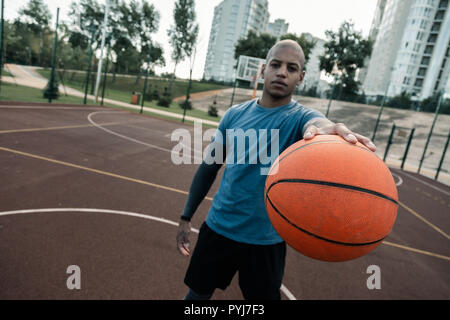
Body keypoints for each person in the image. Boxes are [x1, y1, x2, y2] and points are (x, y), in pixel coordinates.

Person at [176, 39, 376, 300]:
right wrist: (186, 216)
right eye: (276, 64)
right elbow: (208, 168)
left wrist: (326, 130)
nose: (282, 72)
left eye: (292, 68)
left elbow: (316, 124)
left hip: (267, 240)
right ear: (263, 70)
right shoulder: (234, 116)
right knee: (196, 297)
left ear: (300, 78)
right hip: (219, 228)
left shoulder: (299, 118)